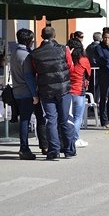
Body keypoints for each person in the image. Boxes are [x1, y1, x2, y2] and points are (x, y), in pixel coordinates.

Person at [29, 27, 76, 160]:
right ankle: (69, 150)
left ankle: (54, 151)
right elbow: (71, 67)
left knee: (51, 120)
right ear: (54, 35)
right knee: (66, 119)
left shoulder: (35, 53)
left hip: (46, 91)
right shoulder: (64, 49)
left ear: (41, 36)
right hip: (64, 89)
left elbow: (35, 71)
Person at [10, 29, 43, 159]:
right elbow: (29, 76)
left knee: (24, 120)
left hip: (17, 90)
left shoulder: (14, 52)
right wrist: (34, 94)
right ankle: (24, 148)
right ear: (28, 40)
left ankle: (26, 147)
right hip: (26, 92)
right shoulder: (26, 55)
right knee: (25, 120)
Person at [67, 38, 92, 148]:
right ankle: (75, 138)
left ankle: (68, 138)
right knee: (77, 117)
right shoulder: (83, 60)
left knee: (68, 117)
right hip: (79, 90)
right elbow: (88, 73)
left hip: (67, 91)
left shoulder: (66, 60)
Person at [95, 28, 109, 129]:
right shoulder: (99, 47)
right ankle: (104, 121)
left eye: (108, 38)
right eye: (105, 38)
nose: (107, 40)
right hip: (103, 74)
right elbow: (103, 60)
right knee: (104, 97)